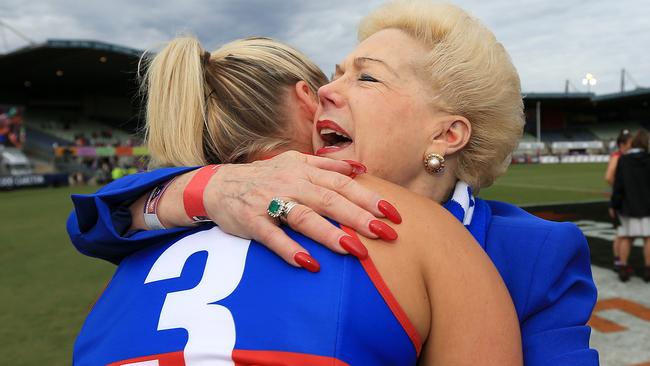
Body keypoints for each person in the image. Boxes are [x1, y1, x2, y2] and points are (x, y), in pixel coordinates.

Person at [68, 1, 598, 365]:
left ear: (447, 132)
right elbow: (93, 222)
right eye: (334, 73)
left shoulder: (530, 251)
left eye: (365, 77)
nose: (324, 93)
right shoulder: (251, 202)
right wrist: (207, 188)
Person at [610, 129, 650, 282]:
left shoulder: (624, 160)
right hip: (647, 205)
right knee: (648, 238)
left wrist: (614, 205)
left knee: (625, 237)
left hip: (627, 206)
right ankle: (648, 270)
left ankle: (623, 269)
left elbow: (618, 186)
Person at [605, 129, 632, 271]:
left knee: (621, 232)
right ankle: (618, 261)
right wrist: (621, 189)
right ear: (623, 144)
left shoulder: (623, 157)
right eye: (630, 143)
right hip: (619, 199)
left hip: (620, 198)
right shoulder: (618, 157)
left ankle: (619, 260)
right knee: (621, 233)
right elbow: (608, 177)